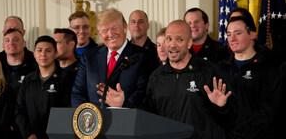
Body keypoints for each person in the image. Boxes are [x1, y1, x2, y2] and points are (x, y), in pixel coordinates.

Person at [97, 20, 230, 139]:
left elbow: (230, 118)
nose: (172, 45)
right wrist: (124, 105)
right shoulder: (157, 76)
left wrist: (222, 106)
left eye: (179, 40)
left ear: (189, 43)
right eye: (169, 39)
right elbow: (149, 116)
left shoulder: (208, 71)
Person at [71, 8, 159, 108]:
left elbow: (145, 94)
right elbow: (78, 93)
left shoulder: (145, 56)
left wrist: (124, 105)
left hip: (129, 119)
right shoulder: (88, 57)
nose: (110, 34)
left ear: (125, 27)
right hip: (93, 121)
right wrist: (88, 118)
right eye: (105, 31)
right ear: (100, 34)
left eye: (114, 28)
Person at [209, 16, 281, 138]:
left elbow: (268, 111)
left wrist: (240, 134)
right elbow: (218, 114)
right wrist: (221, 107)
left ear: (252, 34)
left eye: (238, 33)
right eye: (229, 34)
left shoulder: (268, 68)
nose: (232, 39)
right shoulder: (219, 69)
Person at [15, 36, 74, 139]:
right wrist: (28, 134)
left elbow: (68, 110)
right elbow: (19, 110)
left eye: (48, 50)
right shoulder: (28, 80)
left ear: (56, 54)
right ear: (34, 54)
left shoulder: (66, 79)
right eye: (39, 50)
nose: (43, 54)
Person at [1, 28, 38, 139]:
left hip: (30, 128)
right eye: (7, 40)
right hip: (4, 129)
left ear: (24, 44)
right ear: (3, 45)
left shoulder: (35, 68)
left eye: (16, 39)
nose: (11, 43)